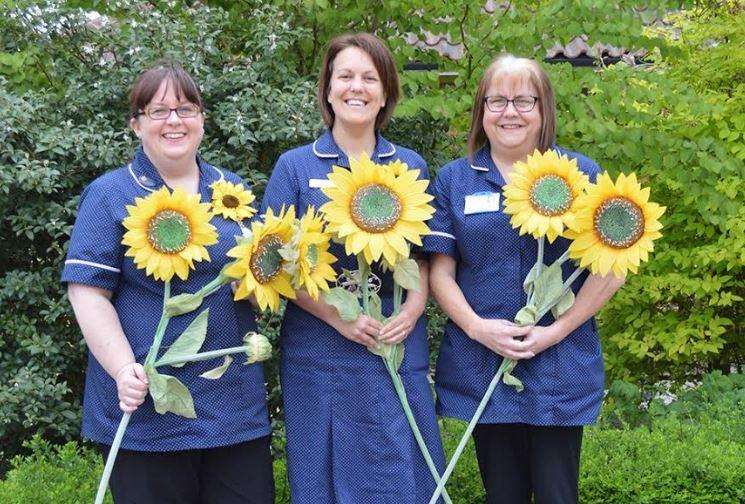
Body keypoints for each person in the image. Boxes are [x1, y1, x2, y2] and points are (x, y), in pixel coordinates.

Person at [62, 60, 274, 503]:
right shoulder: (110, 194)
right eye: (158, 111)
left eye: (186, 108)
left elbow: (254, 279)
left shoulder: (230, 190)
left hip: (232, 407)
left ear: (201, 120)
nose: (174, 120)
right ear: (136, 124)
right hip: (146, 409)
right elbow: (88, 292)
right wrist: (123, 369)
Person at [424, 54, 626, 504]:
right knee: (503, 495)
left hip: (559, 367)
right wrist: (478, 328)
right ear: (481, 110)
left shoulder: (581, 176)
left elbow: (612, 268)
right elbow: (439, 270)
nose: (509, 112)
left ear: (543, 109)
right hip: (484, 366)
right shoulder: (454, 181)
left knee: (558, 495)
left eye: (522, 101)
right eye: (497, 100)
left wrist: (554, 332)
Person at [260, 33, 445, 503]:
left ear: (386, 93)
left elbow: (423, 256)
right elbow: (273, 264)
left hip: (395, 340)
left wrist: (416, 306)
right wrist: (335, 316)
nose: (356, 87)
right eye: (345, 76)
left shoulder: (409, 165)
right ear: (327, 88)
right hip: (320, 347)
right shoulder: (295, 167)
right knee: (324, 478)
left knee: (401, 469)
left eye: (369, 77)